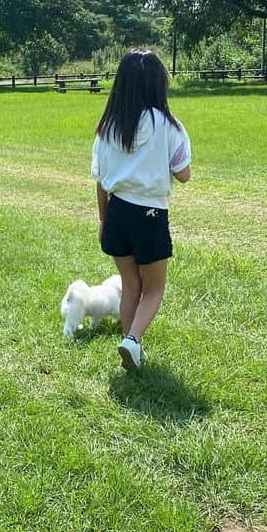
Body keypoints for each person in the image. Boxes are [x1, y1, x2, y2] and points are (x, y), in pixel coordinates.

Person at [91, 49, 191, 371]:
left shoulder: (108, 127)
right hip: (149, 214)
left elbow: (101, 181)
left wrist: (103, 220)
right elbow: (184, 174)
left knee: (129, 286)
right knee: (154, 288)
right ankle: (132, 340)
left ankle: (132, 346)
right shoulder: (168, 125)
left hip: (117, 212)